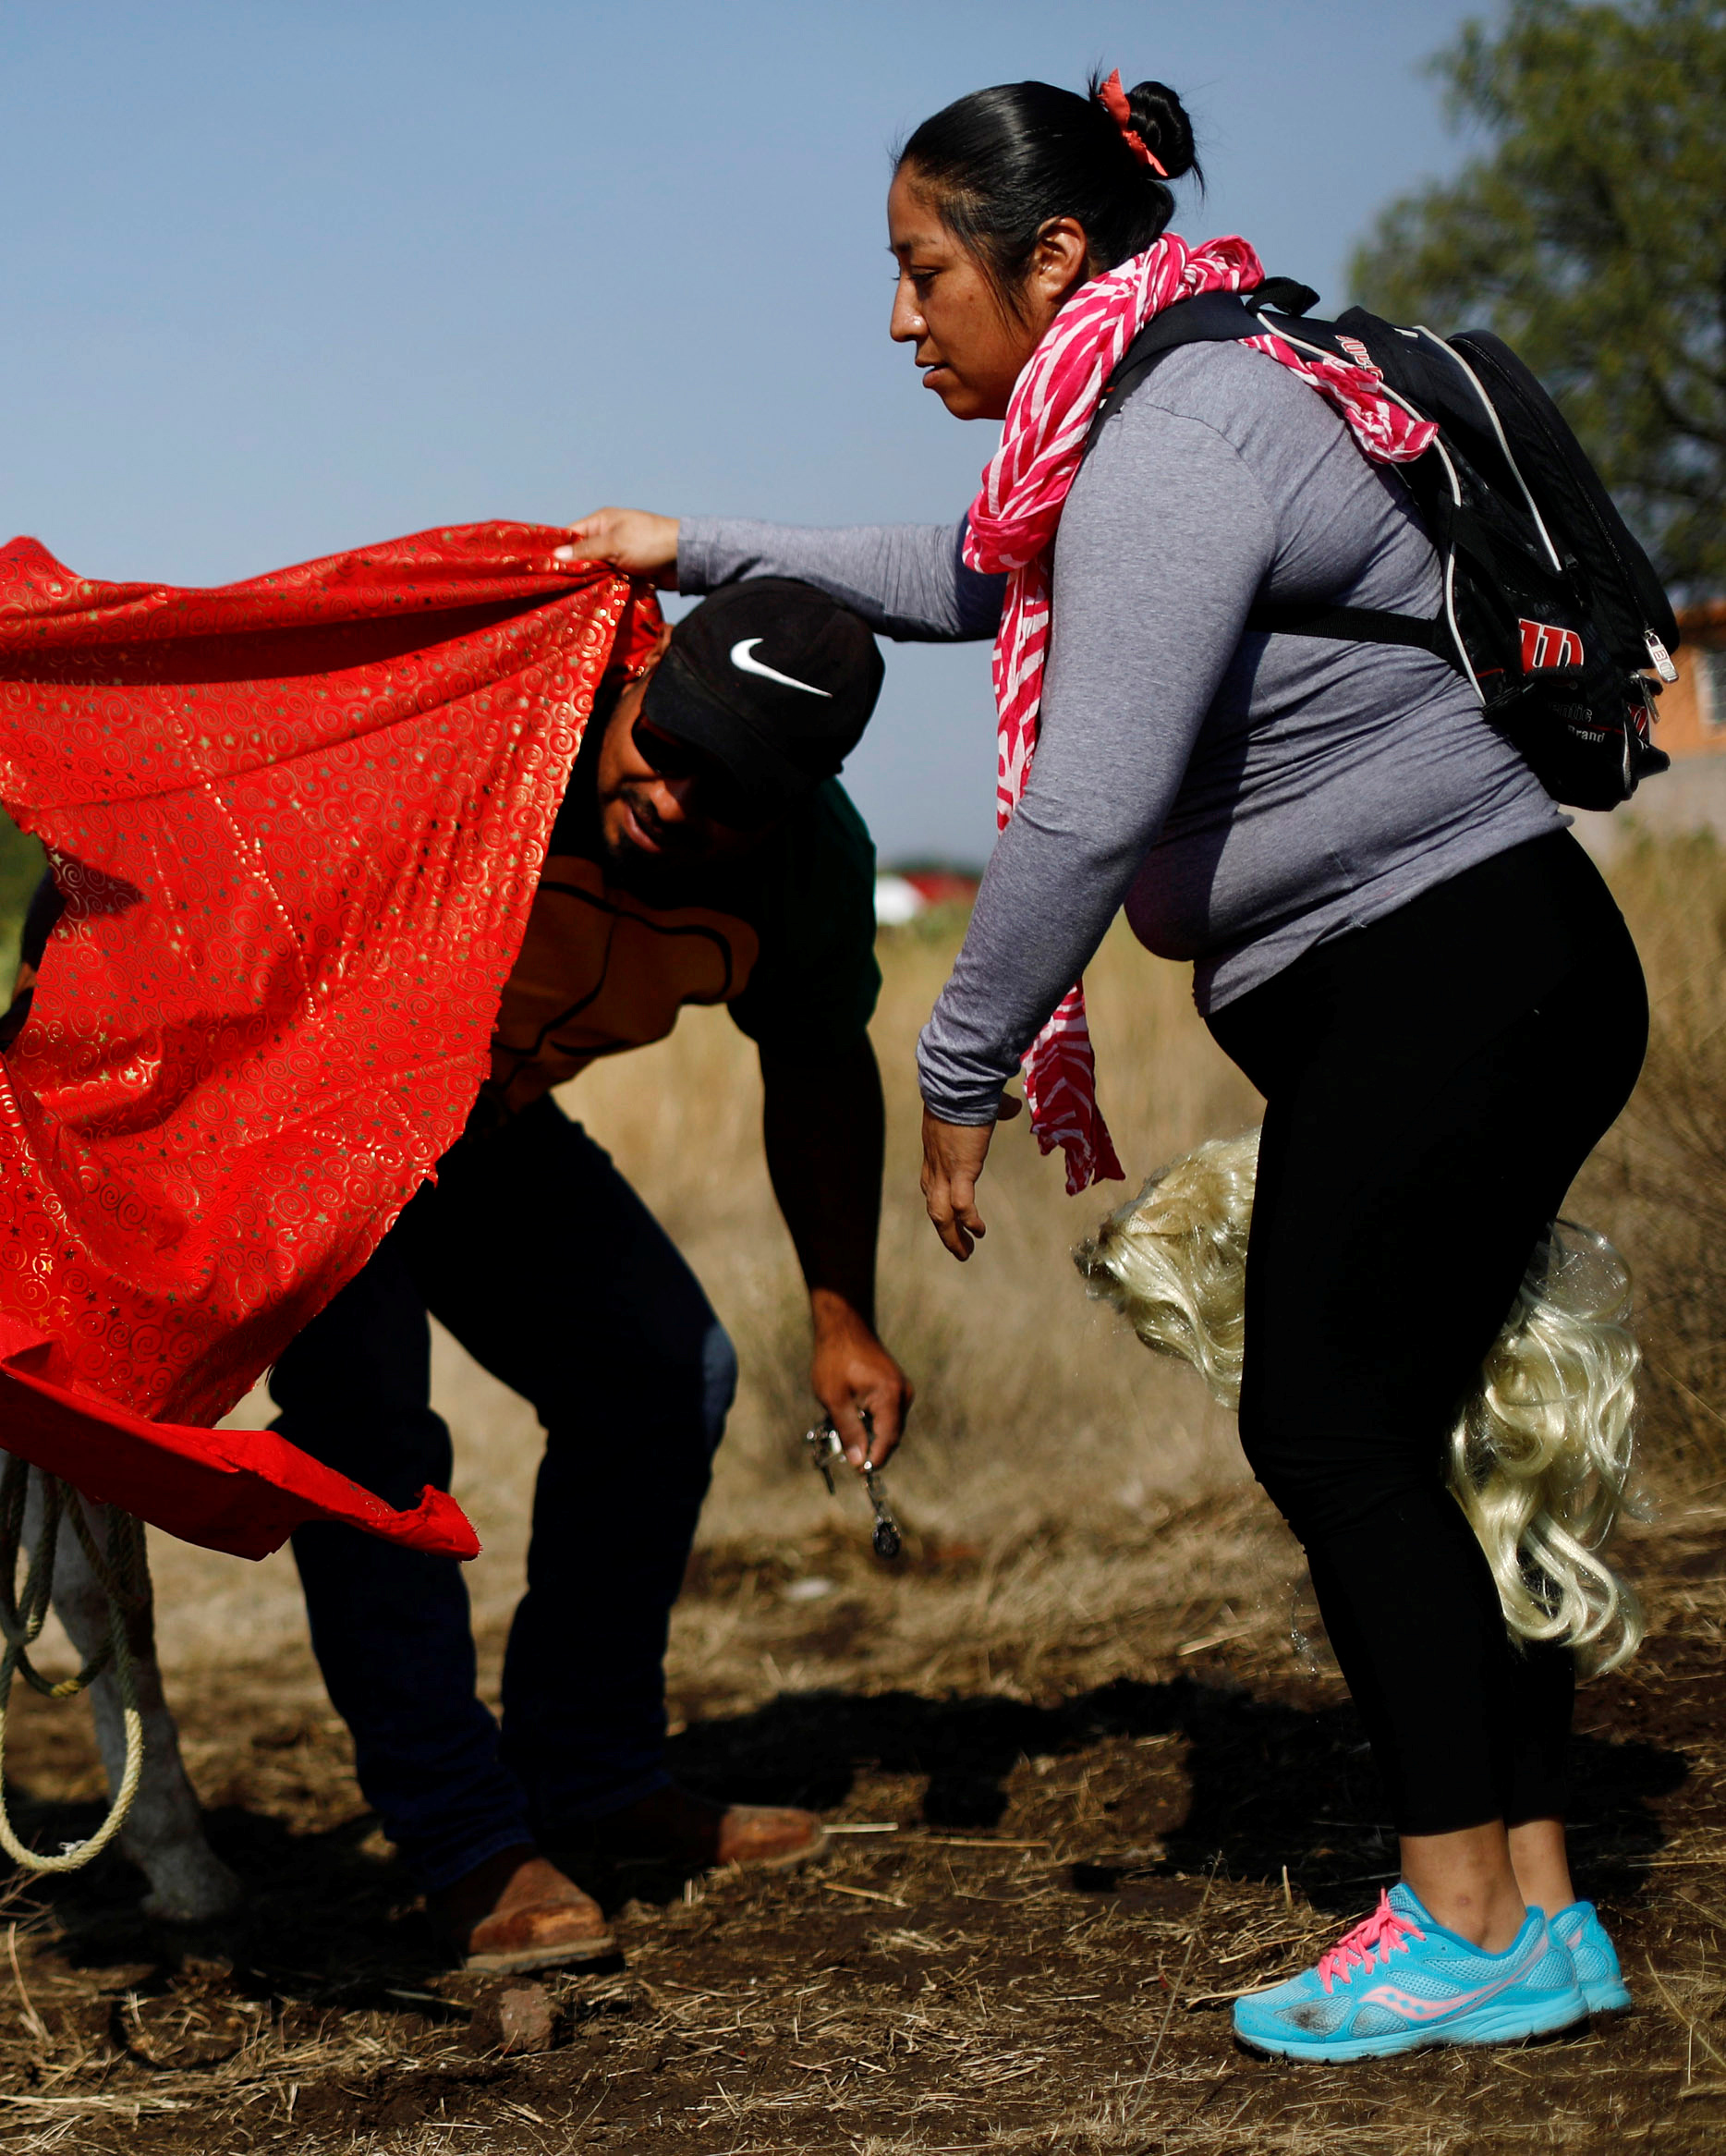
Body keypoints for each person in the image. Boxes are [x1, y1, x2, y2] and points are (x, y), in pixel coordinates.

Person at [561, 71, 1647, 2059]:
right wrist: (687, 538)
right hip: (1471, 972)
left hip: (1448, 974)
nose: (900, 322)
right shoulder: (1143, 414)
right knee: (1425, 1432)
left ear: (1047, 255)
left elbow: (1082, 807)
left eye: (918, 273)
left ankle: (1458, 1909)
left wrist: (957, 1061)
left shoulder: (1172, 442)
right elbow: (976, 576)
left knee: (1330, 1432)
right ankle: (1539, 1905)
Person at [250, 578, 914, 1973]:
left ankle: (596, 1776)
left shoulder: (805, 869)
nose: (672, 797)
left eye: (725, 789)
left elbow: (817, 1065)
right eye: (662, 745)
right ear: (639, 681)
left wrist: (840, 1312)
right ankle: (468, 1846)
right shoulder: (504, 741)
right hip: (319, 1111)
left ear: (794, 803)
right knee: (370, 1437)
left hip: (485, 1120)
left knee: (666, 1375)